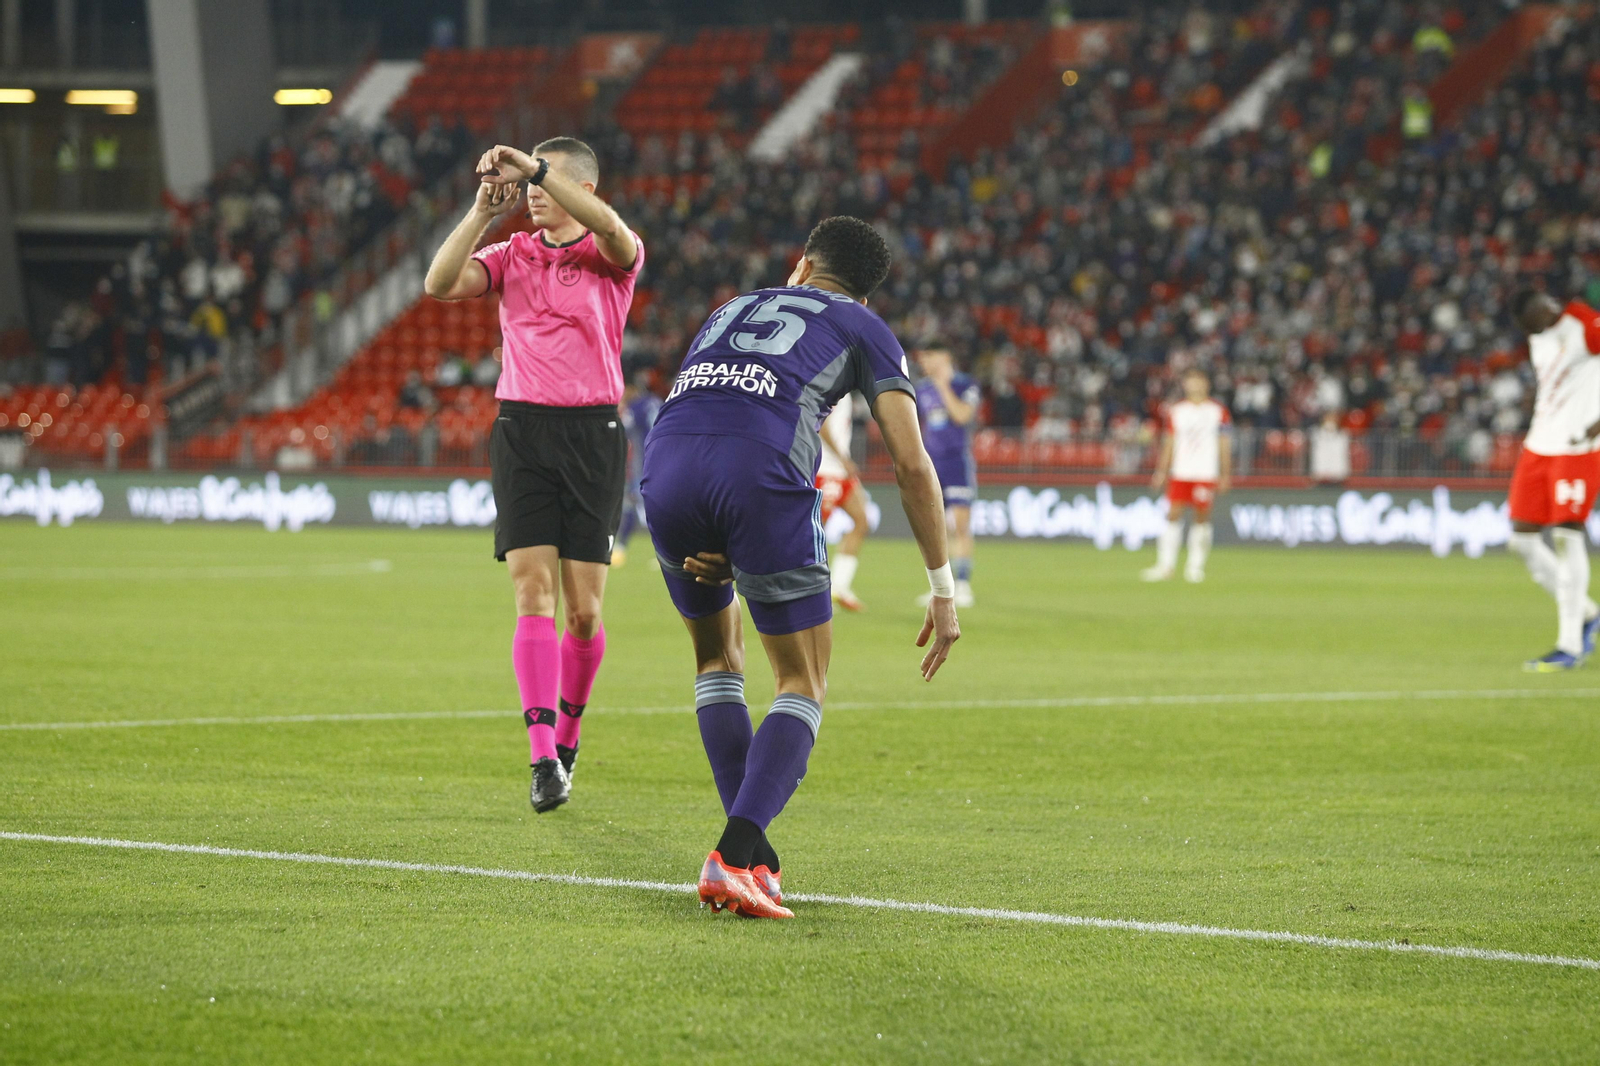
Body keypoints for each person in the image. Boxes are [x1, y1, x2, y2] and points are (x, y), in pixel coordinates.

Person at [640, 217, 961, 920]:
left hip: (665, 466)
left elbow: (708, 399)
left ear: (801, 266)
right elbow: (911, 464)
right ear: (867, 294)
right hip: (756, 472)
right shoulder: (863, 325)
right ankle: (733, 852)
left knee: (717, 665)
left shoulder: (729, 307)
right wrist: (943, 587)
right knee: (803, 681)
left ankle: (755, 859)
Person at [424, 136, 644, 811]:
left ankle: (571, 734)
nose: (534, 195)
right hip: (521, 429)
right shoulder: (512, 252)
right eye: (529, 188)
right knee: (532, 594)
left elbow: (611, 228)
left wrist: (535, 165)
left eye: (545, 186)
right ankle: (542, 755)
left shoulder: (611, 255)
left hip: (594, 434)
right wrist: (481, 212)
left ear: (582, 186)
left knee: (584, 612)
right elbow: (438, 284)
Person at [1506, 290, 1600, 671]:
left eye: (1545, 304)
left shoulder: (1583, 324)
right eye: (1534, 313)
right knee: (1521, 541)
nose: (1546, 311)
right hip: (1539, 444)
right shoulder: (1539, 340)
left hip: (1578, 447)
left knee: (1566, 535)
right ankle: (1589, 613)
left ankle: (1570, 645)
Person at [1144, 368, 1231, 583]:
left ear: (1207, 384)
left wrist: (1226, 473)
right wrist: (1161, 471)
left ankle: (1195, 567)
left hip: (1205, 472)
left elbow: (1225, 443)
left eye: (1199, 380)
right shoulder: (1177, 411)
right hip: (1181, 471)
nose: (1195, 385)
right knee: (1172, 514)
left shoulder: (1218, 411)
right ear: (1185, 384)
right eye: (1191, 381)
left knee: (1201, 517)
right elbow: (1169, 442)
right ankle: (1165, 566)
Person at [914, 346, 980, 607]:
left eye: (931, 356)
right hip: (932, 464)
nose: (926, 362)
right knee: (936, 527)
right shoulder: (920, 389)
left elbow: (962, 415)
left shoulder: (965, 384)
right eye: (923, 358)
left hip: (957, 462)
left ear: (946, 357)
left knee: (960, 525)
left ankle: (963, 584)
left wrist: (943, 386)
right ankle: (941, 587)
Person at [817, 391, 871, 611]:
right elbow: (821, 426)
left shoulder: (846, 392)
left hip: (840, 472)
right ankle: (806, 591)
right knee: (814, 536)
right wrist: (843, 458)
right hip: (826, 469)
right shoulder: (832, 387)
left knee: (862, 521)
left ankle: (839, 586)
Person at [613, 368, 662, 567]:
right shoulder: (656, 401)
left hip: (643, 463)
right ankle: (620, 548)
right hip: (664, 458)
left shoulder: (634, 408)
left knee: (639, 506)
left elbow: (623, 432)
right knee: (645, 506)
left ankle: (621, 548)